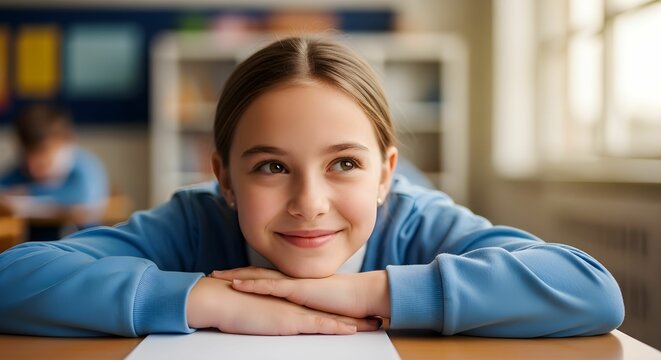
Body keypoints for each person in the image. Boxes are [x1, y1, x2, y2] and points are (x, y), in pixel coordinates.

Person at [0, 37, 623, 337]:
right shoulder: (194, 223)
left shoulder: (415, 221)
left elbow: (592, 290)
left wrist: (359, 292)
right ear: (224, 180)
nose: (309, 203)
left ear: (386, 173)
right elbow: (14, 278)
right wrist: (213, 302)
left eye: (345, 164)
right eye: (271, 166)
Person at [0, 105, 108, 241]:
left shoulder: (84, 168)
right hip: (36, 248)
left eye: (45, 163)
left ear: (68, 142)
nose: (34, 169)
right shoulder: (23, 170)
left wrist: (30, 193)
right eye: (28, 160)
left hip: (82, 246)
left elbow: (82, 199)